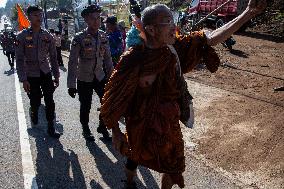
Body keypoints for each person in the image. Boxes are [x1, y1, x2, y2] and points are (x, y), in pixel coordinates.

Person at [101, 1, 266, 188]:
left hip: (169, 125)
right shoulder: (132, 59)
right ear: (152, 30)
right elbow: (112, 97)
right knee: (134, 156)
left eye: (172, 20)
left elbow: (209, 38)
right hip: (141, 125)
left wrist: (247, 13)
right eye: (167, 22)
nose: (174, 26)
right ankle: (129, 182)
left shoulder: (174, 49)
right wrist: (115, 131)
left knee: (174, 166)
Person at [67, 4, 113, 142]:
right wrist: (71, 84)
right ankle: (85, 128)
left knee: (107, 102)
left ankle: (102, 126)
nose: (96, 21)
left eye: (99, 18)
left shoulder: (104, 36)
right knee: (85, 105)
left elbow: (108, 60)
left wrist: (112, 79)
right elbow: (72, 62)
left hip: (99, 76)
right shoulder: (78, 38)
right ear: (86, 20)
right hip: (84, 78)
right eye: (93, 18)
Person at [15, 5, 60, 138]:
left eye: (40, 14)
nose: (39, 17)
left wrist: (56, 76)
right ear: (29, 17)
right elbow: (19, 59)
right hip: (31, 73)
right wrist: (23, 79)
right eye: (35, 15)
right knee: (35, 100)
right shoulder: (22, 36)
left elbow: (53, 57)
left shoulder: (47, 35)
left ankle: (51, 126)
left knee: (49, 100)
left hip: (45, 72)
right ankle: (33, 111)